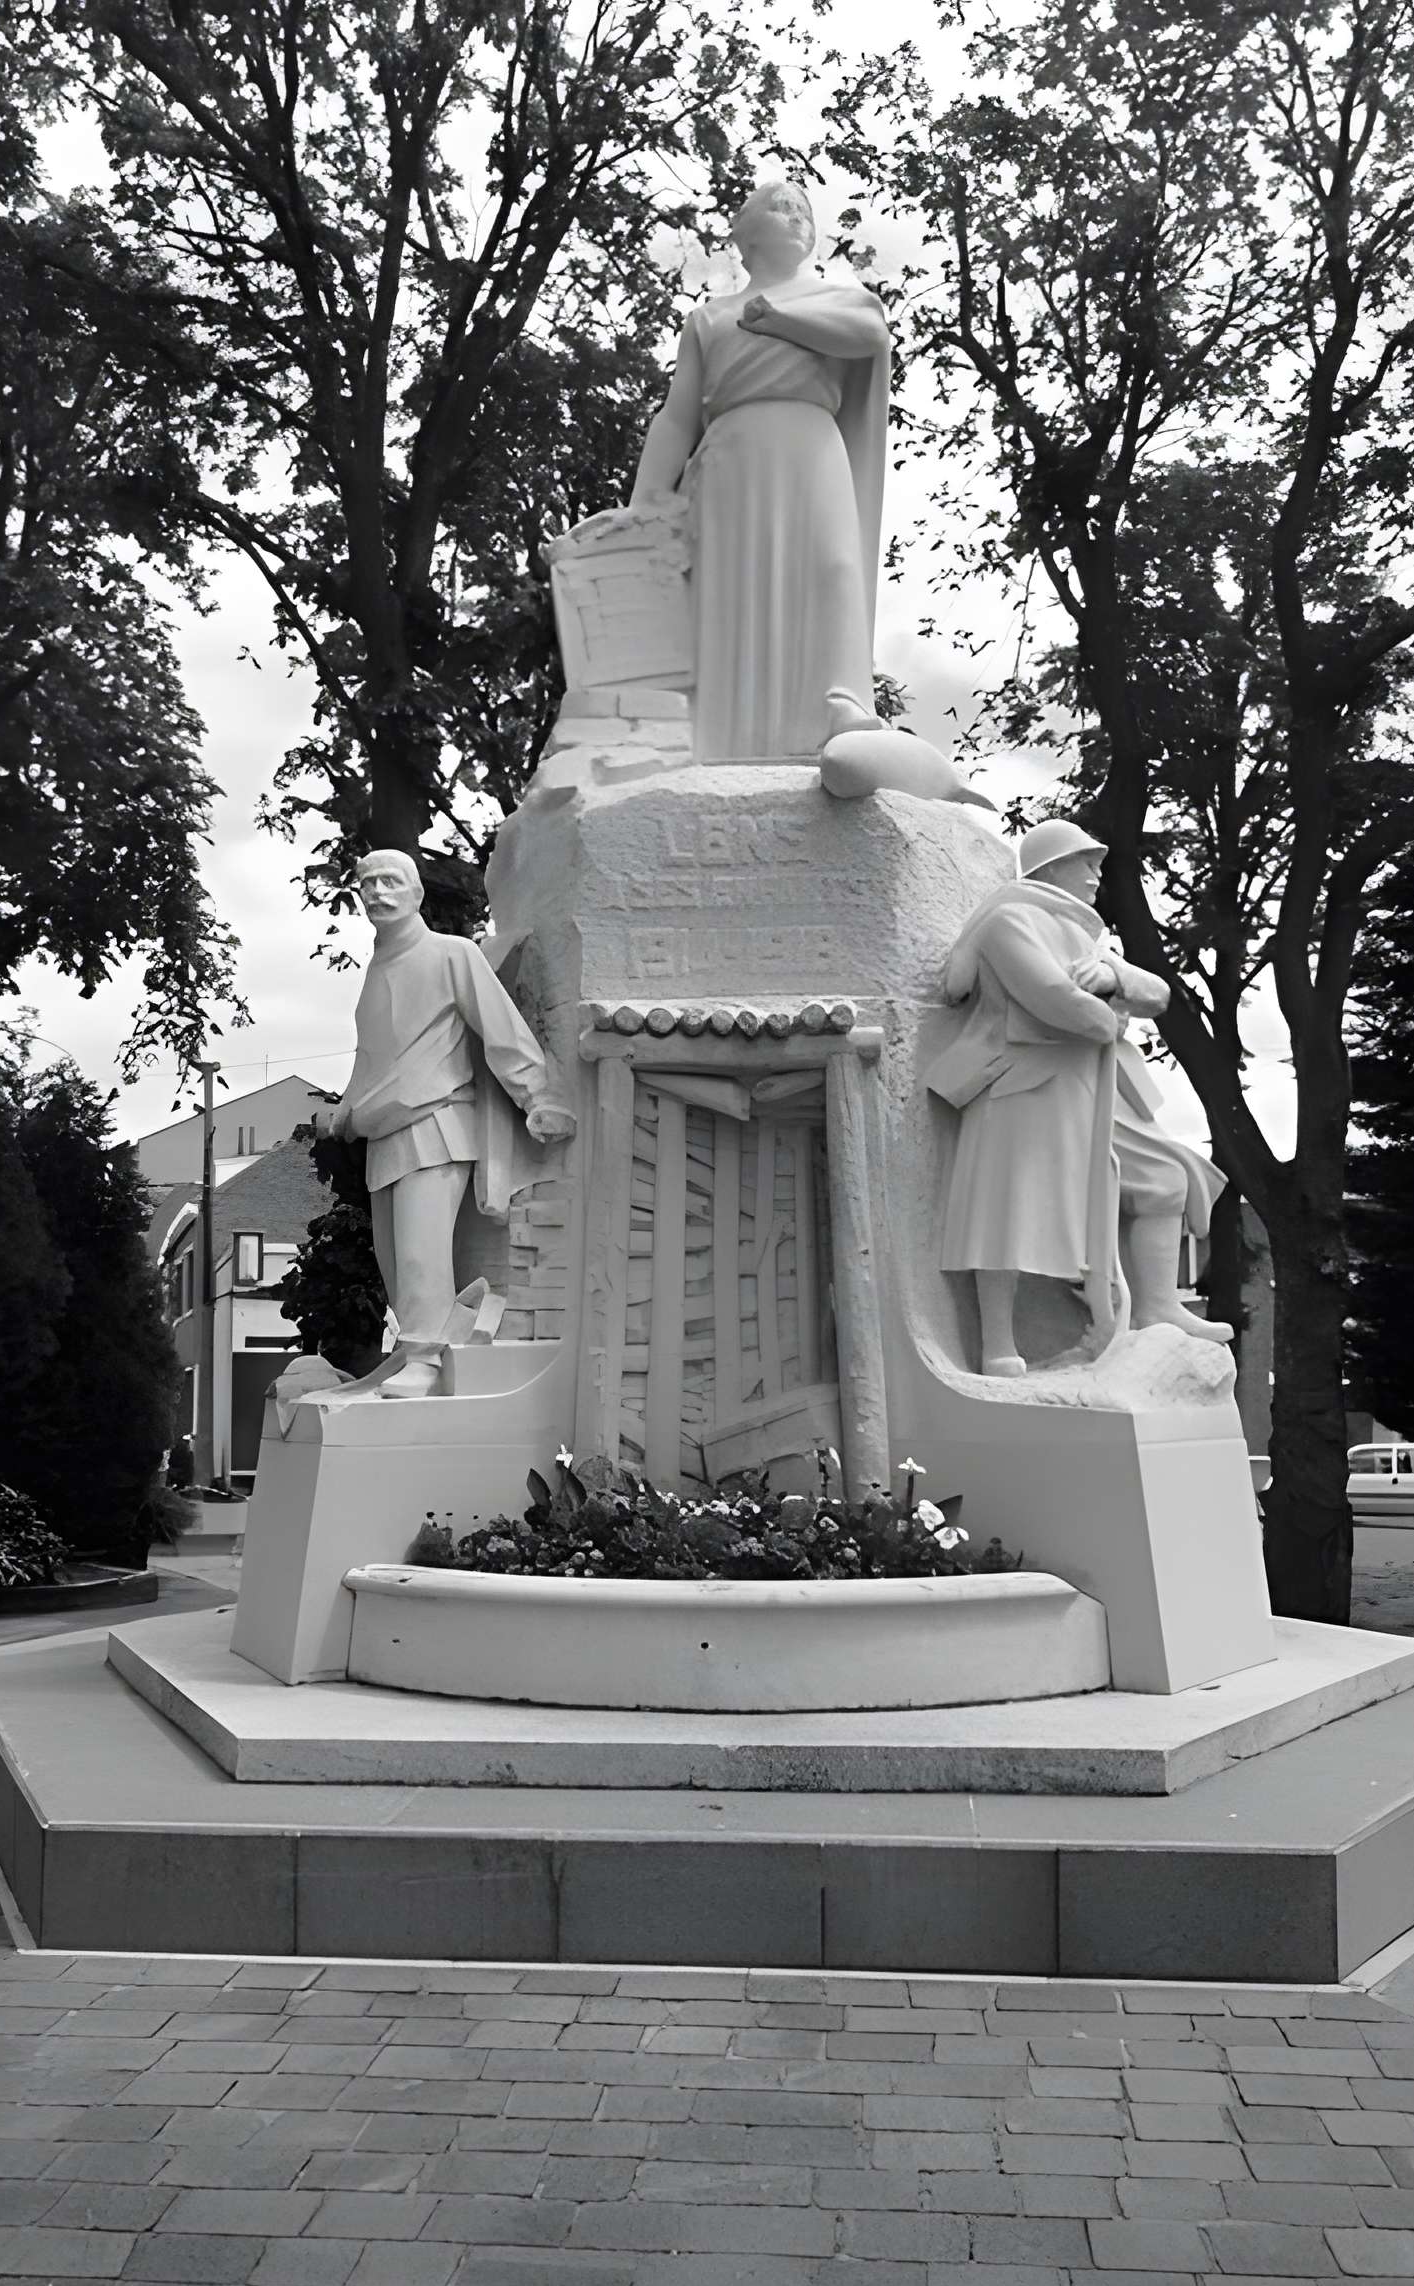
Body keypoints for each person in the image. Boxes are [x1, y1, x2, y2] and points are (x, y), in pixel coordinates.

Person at [926, 820, 1230, 1375]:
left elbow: (1157, 993)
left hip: (1092, 1089)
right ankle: (998, 1345)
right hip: (1023, 1087)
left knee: (1165, 1179)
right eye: (1085, 861)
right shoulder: (1008, 919)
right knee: (1005, 1211)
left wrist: (1112, 973)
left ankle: (1159, 1307)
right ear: (1051, 866)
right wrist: (1111, 1014)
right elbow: (1060, 1003)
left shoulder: (1089, 936)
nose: (1096, 874)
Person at [628, 177, 890, 764]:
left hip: (810, 446)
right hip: (731, 457)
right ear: (743, 239)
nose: (796, 215)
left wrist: (779, 321)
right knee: (729, 587)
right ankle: (720, 739)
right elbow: (677, 416)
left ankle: (835, 704)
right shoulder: (710, 318)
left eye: (803, 209)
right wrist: (645, 500)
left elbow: (869, 337)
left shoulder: (840, 297)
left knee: (831, 566)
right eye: (779, 207)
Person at [330, 851, 575, 1397]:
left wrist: (538, 1096)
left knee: (422, 1252)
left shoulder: (452, 954)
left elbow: (500, 1028)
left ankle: (426, 1358)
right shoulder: (377, 971)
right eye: (367, 884)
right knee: (395, 1261)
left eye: (390, 881)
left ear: (417, 893)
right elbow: (372, 1058)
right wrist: (346, 1109)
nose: (377, 893)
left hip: (436, 1123)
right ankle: (413, 1351)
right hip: (384, 1132)